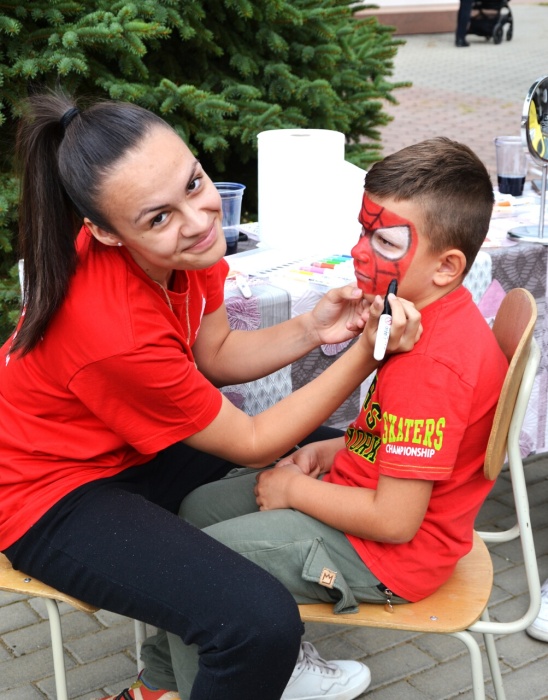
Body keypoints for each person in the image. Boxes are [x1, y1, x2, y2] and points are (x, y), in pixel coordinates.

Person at [0, 88, 422, 700]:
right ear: (105, 232)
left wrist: (311, 328)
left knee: (348, 460)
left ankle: (161, 688)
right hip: (46, 495)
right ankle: (252, 665)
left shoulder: (186, 251)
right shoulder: (112, 329)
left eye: (194, 185)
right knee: (255, 626)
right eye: (158, 217)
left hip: (126, 453)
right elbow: (251, 443)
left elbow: (214, 355)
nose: (199, 222)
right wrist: (364, 354)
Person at [131, 137, 509, 698]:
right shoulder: (413, 319)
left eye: (383, 239)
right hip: (360, 500)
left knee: (203, 573)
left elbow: (396, 521)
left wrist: (291, 490)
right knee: (195, 509)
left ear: (446, 267)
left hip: (390, 557)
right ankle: (160, 686)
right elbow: (401, 440)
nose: (359, 252)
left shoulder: (435, 363)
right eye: (362, 230)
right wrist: (332, 451)